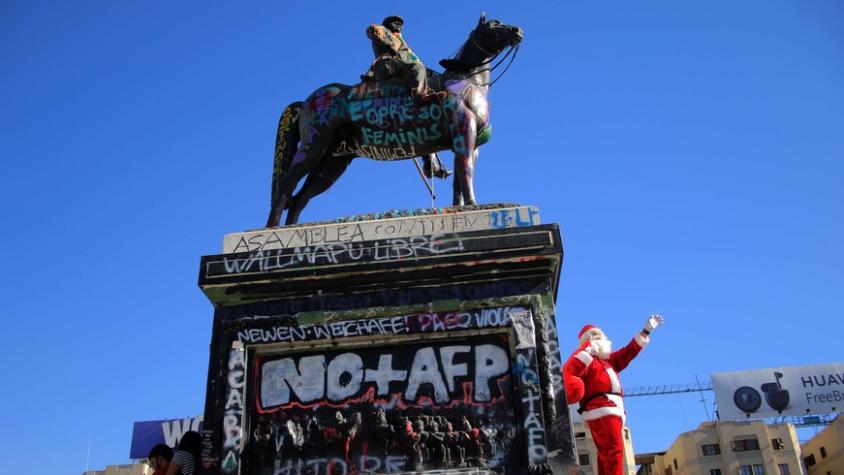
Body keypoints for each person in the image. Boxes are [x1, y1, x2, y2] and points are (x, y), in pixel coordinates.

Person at [563, 315, 664, 475]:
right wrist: (588, 349)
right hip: (602, 408)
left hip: (611, 409)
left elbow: (628, 352)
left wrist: (646, 331)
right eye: (592, 336)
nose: (596, 339)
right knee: (614, 451)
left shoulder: (610, 360)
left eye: (598, 336)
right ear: (586, 341)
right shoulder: (588, 360)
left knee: (606, 453)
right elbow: (573, 368)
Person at [362, 15, 447, 106]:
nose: (398, 24)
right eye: (395, 22)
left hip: (402, 64)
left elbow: (410, 57)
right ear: (387, 24)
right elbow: (371, 30)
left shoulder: (401, 40)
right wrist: (388, 44)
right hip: (387, 63)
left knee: (424, 72)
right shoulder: (382, 29)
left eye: (400, 24)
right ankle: (420, 96)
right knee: (417, 67)